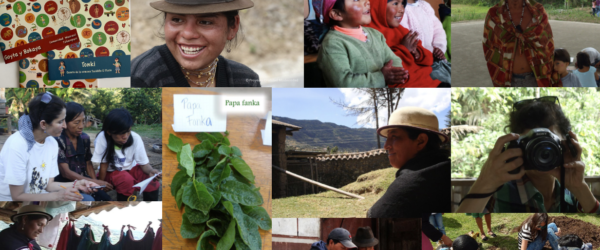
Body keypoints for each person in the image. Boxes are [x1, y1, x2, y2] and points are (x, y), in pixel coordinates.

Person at [457, 96, 600, 213]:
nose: (542, 150)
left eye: (548, 140)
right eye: (532, 141)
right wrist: (484, 183)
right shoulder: (498, 194)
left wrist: (580, 189)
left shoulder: (572, 192)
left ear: (568, 145)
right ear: (516, 145)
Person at [131, 0, 260, 87]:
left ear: (232, 27)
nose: (188, 34)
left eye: (205, 22)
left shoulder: (246, 81)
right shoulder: (141, 77)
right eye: (177, 19)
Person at [0, 92, 99, 201]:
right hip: (13, 203)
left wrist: (78, 184)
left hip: (40, 198)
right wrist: (58, 196)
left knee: (87, 200)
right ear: (43, 124)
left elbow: (48, 185)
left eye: (64, 120)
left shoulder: (52, 143)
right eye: (60, 121)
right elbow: (17, 196)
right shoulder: (17, 145)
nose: (65, 126)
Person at [367, 107, 450, 218]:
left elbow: (376, 215)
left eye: (394, 136)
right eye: (387, 138)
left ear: (420, 141)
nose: (386, 146)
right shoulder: (445, 169)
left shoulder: (412, 183)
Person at [313, 0, 409, 87]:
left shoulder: (375, 34)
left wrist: (396, 73)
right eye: (356, 0)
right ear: (337, 14)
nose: (367, 2)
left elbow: (393, 59)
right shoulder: (333, 44)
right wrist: (382, 77)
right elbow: (343, 83)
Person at [363, 0, 444, 87]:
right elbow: (385, 68)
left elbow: (429, 60)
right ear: (378, 5)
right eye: (395, 3)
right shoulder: (366, 35)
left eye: (403, 4)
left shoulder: (401, 29)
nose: (402, 9)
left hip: (430, 82)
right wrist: (404, 49)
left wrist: (418, 53)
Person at [482, 0, 560, 87]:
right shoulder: (494, 14)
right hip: (507, 80)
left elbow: (547, 45)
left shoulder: (538, 11)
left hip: (537, 79)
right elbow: (489, 47)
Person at [92, 108, 161, 201]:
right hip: (110, 172)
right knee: (125, 179)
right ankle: (124, 209)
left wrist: (151, 171)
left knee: (152, 181)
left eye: (128, 131)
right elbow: (104, 165)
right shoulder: (102, 138)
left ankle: (150, 211)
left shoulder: (136, 138)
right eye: (121, 133)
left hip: (130, 169)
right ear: (109, 132)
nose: (125, 136)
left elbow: (144, 164)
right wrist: (101, 184)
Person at [53, 102, 112, 201]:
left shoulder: (85, 138)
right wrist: (93, 181)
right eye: (77, 122)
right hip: (66, 185)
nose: (81, 126)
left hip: (86, 182)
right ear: (65, 122)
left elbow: (88, 163)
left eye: (83, 121)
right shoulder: (58, 140)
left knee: (107, 200)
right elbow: (66, 173)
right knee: (89, 201)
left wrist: (95, 184)